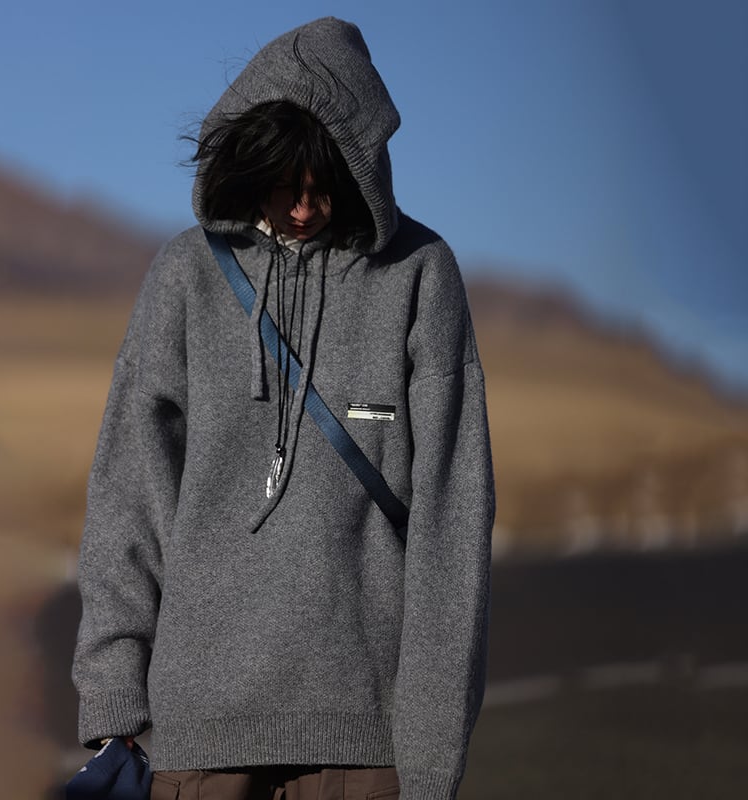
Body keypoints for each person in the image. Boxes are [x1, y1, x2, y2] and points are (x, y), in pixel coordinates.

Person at [72, 16, 495, 800]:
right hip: (198, 734)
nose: (303, 207)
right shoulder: (186, 276)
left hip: (366, 746)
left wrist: (432, 756)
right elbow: (129, 495)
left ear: (363, 169)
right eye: (284, 183)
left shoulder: (419, 275)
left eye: (323, 185)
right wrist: (112, 698)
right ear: (249, 160)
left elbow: (451, 522)